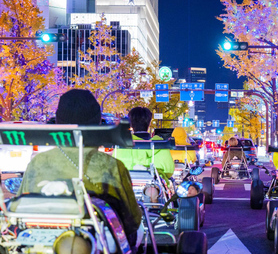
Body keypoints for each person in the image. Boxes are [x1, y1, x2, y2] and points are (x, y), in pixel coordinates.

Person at [18, 89, 142, 251]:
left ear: (58, 123)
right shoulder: (112, 166)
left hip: (41, 244)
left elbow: (21, 210)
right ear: (98, 122)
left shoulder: (38, 163)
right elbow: (131, 221)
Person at [116, 107, 175, 180]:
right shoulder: (161, 144)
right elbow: (169, 170)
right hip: (153, 187)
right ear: (149, 123)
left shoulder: (121, 145)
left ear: (130, 124)